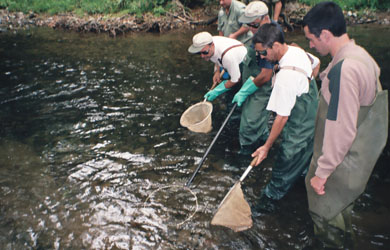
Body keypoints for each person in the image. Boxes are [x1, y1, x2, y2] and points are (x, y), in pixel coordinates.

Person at [302, 2, 388, 249]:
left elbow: (340, 129)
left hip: (340, 165)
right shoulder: (360, 55)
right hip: (358, 162)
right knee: (342, 212)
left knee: (326, 218)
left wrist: (321, 174)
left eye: (311, 39)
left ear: (325, 35)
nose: (310, 45)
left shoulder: (344, 70)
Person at [250, 23, 319, 212]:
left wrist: (266, 148)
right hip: (313, 115)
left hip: (300, 127)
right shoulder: (297, 51)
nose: (262, 57)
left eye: (263, 53)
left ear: (276, 46)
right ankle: (300, 189)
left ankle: (266, 206)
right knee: (303, 161)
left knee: (284, 165)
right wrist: (303, 86)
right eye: (258, 54)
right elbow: (317, 63)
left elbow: (281, 118)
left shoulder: (285, 78)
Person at [231, 1, 277, 155]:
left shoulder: (269, 39)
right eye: (249, 25)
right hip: (252, 83)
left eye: (255, 25)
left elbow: (265, 75)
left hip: (260, 88)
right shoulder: (258, 33)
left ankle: (248, 158)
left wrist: (246, 90)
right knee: (255, 121)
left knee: (248, 127)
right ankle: (263, 144)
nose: (251, 29)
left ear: (265, 19)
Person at [188, 31, 247, 104]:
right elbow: (216, 57)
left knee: (236, 94)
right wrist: (217, 71)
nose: (202, 56)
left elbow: (236, 79)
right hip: (228, 62)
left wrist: (217, 91)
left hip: (243, 63)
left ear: (212, 45)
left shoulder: (228, 57)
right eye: (199, 53)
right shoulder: (209, 45)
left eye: (205, 52)